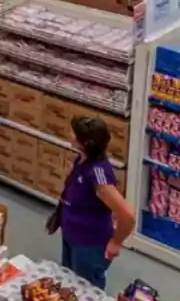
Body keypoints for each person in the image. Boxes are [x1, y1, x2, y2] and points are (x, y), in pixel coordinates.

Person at [50, 116, 136, 290]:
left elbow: (127, 215)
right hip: (72, 234)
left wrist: (115, 243)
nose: (70, 134)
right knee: (68, 283)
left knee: (85, 291)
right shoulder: (81, 159)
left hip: (89, 244)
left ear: (86, 144)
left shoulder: (98, 175)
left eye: (74, 133)